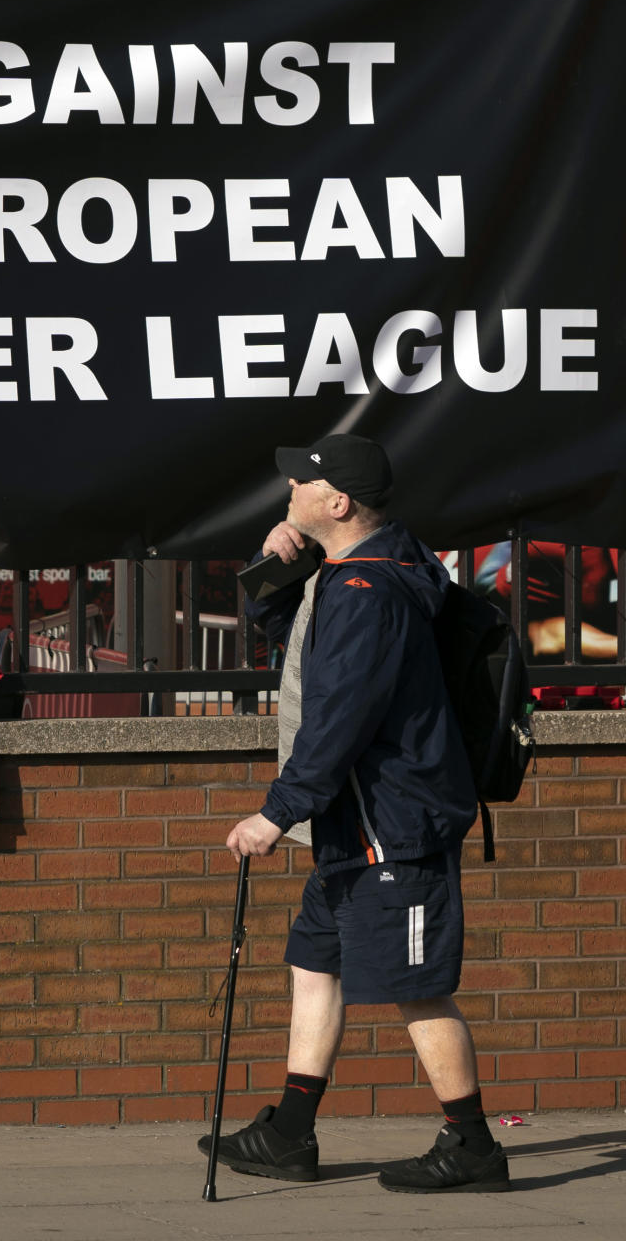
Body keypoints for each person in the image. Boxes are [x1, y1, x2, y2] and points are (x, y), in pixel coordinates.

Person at [198, 433, 510, 1193]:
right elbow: (302, 649)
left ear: (337, 503)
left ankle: (471, 1144)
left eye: (302, 485)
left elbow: (338, 717)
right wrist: (282, 571)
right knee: (316, 965)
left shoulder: (371, 592)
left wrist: (277, 814)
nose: (290, 492)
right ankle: (291, 1134)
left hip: (390, 827)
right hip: (352, 824)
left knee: (416, 986)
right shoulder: (357, 570)